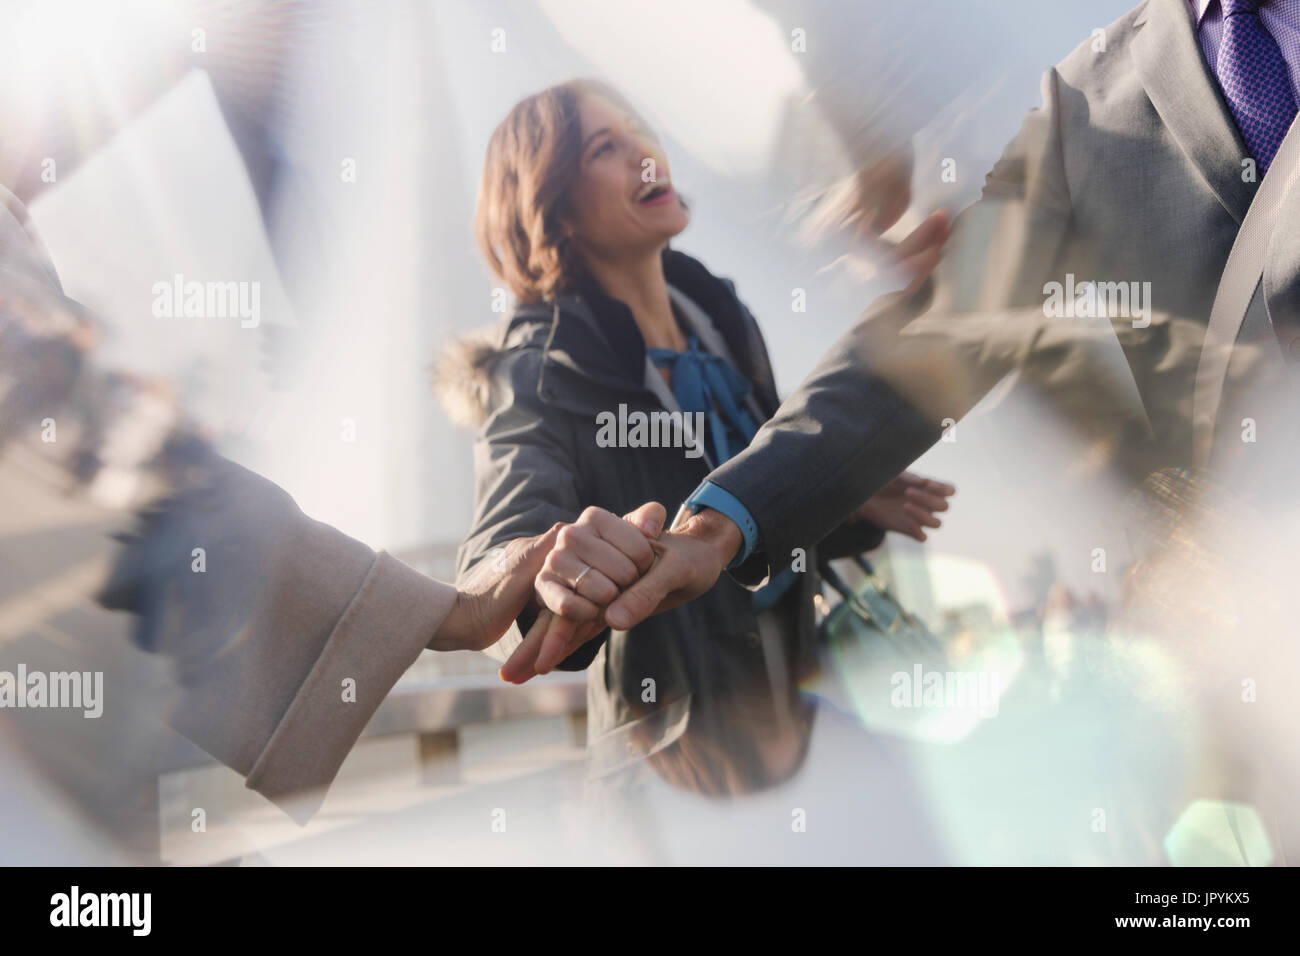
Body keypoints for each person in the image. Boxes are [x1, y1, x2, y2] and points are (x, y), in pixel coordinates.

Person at [445, 78, 955, 777]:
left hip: (801, 706)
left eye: (640, 137)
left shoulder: (723, 321)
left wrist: (846, 503)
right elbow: (501, 551)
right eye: (606, 148)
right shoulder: (538, 369)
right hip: (680, 758)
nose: (646, 158)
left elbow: (738, 516)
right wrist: (546, 569)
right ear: (554, 209)